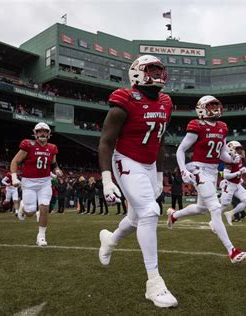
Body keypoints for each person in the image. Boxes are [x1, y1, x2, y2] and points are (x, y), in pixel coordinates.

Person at [97, 55, 178, 308]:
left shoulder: (165, 102)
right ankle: (153, 283)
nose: (159, 76)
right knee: (150, 212)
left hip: (149, 164)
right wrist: (106, 179)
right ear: (138, 73)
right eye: (153, 70)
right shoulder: (124, 101)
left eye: (160, 71)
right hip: (127, 160)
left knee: (135, 218)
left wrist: (158, 176)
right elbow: (106, 142)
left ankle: (110, 239)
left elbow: (161, 140)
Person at [166, 95, 246, 264]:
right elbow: (181, 150)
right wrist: (183, 170)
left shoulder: (222, 127)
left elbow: (222, 154)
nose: (215, 109)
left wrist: (232, 159)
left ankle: (175, 215)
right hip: (199, 168)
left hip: (212, 171)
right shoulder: (197, 125)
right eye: (211, 106)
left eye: (216, 105)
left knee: (201, 208)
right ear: (202, 108)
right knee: (215, 207)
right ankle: (232, 251)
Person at [10, 122, 63, 246]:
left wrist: (57, 170)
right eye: (39, 131)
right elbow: (15, 161)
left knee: (44, 207)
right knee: (30, 212)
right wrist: (14, 177)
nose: (42, 133)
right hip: (28, 182)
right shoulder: (28, 144)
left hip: (45, 182)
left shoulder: (52, 148)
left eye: (45, 131)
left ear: (49, 134)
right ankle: (23, 206)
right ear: (35, 133)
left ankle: (41, 236)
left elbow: (53, 164)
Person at [220, 141, 246, 226]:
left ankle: (230, 213)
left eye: (241, 148)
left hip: (237, 184)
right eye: (238, 149)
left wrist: (242, 172)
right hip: (229, 184)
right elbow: (226, 175)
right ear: (232, 149)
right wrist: (239, 172)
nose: (241, 150)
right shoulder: (229, 160)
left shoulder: (240, 158)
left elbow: (241, 164)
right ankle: (214, 220)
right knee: (223, 205)